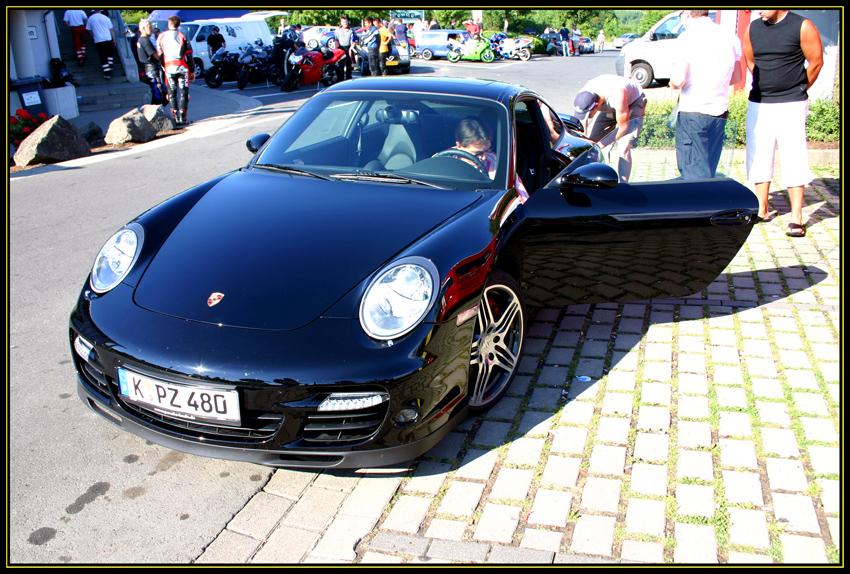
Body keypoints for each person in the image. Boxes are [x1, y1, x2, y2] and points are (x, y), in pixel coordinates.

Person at [743, 10, 823, 237]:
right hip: (759, 103)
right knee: (758, 156)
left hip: (792, 104)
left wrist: (796, 88)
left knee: (794, 155)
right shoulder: (753, 29)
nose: (758, 10)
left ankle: (796, 216)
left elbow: (816, 62)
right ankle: (762, 209)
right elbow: (751, 62)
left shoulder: (802, 26)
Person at [669, 10, 743, 180]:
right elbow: (737, 77)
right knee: (709, 169)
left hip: (693, 112)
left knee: (693, 173)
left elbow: (679, 80)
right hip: (719, 112)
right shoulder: (730, 37)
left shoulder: (687, 37)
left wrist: (672, 83)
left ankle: (697, 206)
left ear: (687, 13)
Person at [573, 74, 647, 182]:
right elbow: (581, 128)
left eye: (589, 113)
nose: (587, 116)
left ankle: (623, 186)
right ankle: (589, 180)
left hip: (634, 103)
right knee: (590, 144)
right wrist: (584, 142)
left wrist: (601, 145)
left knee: (623, 147)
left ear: (596, 105)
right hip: (610, 106)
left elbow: (623, 127)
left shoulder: (617, 96)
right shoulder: (583, 95)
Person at [157, 15, 195, 125]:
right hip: (182, 67)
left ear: (169, 24)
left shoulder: (161, 36)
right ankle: (183, 118)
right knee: (184, 93)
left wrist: (163, 67)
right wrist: (192, 70)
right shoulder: (182, 35)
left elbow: (160, 54)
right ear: (178, 25)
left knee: (171, 93)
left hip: (169, 67)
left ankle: (175, 118)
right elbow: (189, 55)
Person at [136, 19, 166, 105]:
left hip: (149, 69)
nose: (152, 29)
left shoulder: (141, 40)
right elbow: (155, 55)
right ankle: (155, 114)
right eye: (150, 27)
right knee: (159, 93)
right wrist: (164, 59)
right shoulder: (144, 41)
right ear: (144, 28)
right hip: (152, 69)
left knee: (159, 93)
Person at [86, 9, 116, 79]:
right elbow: (111, 29)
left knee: (103, 56)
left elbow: (89, 30)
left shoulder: (91, 18)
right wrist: (113, 39)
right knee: (109, 53)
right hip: (108, 38)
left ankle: (107, 73)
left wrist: (93, 37)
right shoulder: (106, 18)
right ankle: (111, 65)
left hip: (98, 40)